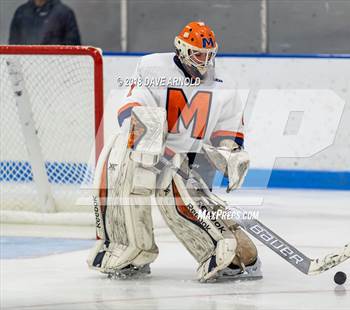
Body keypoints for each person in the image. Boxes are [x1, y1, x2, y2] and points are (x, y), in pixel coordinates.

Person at [87, 21, 262, 282]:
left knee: (184, 207)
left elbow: (229, 129)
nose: (204, 60)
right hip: (148, 149)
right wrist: (152, 136)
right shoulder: (153, 68)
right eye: (197, 54)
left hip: (188, 159)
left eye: (209, 54)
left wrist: (231, 153)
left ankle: (233, 257)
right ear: (181, 50)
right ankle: (128, 252)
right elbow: (133, 107)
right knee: (122, 180)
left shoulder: (223, 85)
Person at [9, 0, 81, 45]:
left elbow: (74, 49)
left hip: (56, 66)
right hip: (26, 66)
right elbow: (12, 46)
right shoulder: (21, 13)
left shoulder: (65, 13)